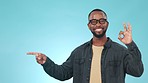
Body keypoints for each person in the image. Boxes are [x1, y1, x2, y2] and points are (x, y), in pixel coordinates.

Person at [27, 9, 144, 83]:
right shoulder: (79, 52)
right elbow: (63, 74)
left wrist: (130, 44)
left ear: (107, 24)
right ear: (89, 26)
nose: (98, 24)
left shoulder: (120, 51)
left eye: (102, 21)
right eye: (94, 21)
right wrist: (46, 62)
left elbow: (137, 71)